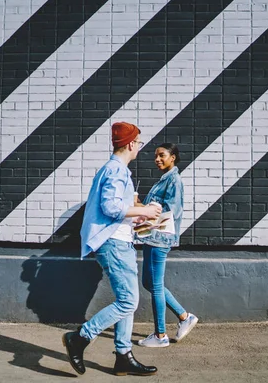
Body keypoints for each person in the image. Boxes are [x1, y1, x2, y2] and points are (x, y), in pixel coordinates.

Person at [62, 121, 161, 376]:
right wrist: (146, 210)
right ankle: (80, 338)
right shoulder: (116, 170)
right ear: (130, 143)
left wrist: (136, 219)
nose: (139, 147)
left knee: (126, 300)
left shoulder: (114, 169)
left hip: (118, 241)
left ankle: (123, 357)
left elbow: (117, 211)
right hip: (114, 244)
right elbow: (111, 208)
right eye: (138, 142)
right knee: (129, 301)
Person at [136, 143, 198, 348]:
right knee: (150, 283)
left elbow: (172, 211)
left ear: (173, 157)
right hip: (151, 237)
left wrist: (146, 211)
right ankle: (184, 316)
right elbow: (155, 209)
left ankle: (160, 335)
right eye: (156, 156)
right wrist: (141, 208)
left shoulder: (174, 181)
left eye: (162, 155)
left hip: (159, 239)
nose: (157, 159)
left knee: (155, 286)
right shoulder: (163, 180)